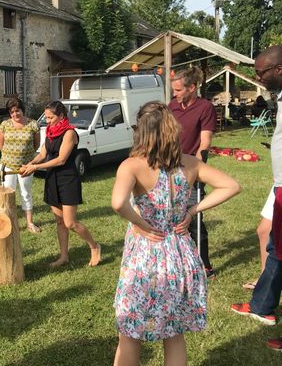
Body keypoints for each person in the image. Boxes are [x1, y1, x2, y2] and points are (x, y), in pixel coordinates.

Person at [112, 101, 240, 366]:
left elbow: (117, 203)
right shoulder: (190, 163)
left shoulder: (132, 166)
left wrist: (141, 224)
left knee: (129, 331)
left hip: (146, 255)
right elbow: (231, 185)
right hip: (180, 253)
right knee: (174, 333)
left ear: (141, 131)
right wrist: (192, 210)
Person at [232, 45, 282, 352]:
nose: (257, 78)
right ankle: (262, 306)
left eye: (261, 72)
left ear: (280, 69)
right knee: (279, 248)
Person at [20, 101, 101, 267]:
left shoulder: (69, 133)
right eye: (47, 117)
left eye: (50, 117)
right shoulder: (50, 131)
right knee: (59, 221)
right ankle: (64, 257)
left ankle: (94, 246)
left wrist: (36, 167)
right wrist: (30, 163)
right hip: (52, 179)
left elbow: (61, 159)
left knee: (70, 222)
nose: (47, 121)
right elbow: (43, 153)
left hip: (68, 179)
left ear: (62, 116)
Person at [168, 66, 217, 278]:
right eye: (174, 90)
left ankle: (205, 265)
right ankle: (178, 261)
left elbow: (204, 143)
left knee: (194, 216)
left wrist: (196, 169)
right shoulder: (171, 106)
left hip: (191, 170)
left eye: (178, 90)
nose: (175, 94)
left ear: (192, 87)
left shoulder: (205, 108)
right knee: (172, 217)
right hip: (169, 168)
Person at [0, 98, 41, 233]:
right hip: (8, 166)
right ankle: (9, 222)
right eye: (12, 112)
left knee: (25, 193)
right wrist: (8, 156)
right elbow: (0, 145)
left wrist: (27, 161)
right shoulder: (4, 125)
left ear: (23, 110)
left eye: (17, 111)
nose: (15, 114)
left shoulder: (33, 124)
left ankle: (29, 223)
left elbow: (36, 144)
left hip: (26, 166)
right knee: (8, 194)